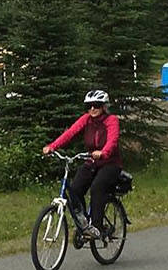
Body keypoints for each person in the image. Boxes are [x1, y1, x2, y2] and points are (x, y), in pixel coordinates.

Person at [43, 89, 122, 241]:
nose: (92, 109)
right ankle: (84, 223)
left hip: (110, 163)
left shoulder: (111, 120)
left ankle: (97, 227)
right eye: (89, 106)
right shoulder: (86, 119)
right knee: (75, 189)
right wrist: (52, 146)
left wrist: (103, 152)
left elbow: (113, 140)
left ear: (104, 106)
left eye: (96, 105)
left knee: (97, 187)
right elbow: (70, 133)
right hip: (92, 161)